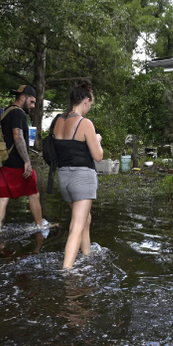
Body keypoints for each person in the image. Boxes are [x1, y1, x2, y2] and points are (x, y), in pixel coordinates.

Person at [53, 79, 103, 269]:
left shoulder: (58, 121)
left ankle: (87, 255)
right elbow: (98, 156)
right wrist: (97, 139)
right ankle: (67, 271)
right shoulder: (85, 123)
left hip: (63, 177)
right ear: (86, 101)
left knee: (85, 219)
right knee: (76, 226)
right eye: (90, 104)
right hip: (82, 178)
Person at [0, 85, 48, 231]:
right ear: (23, 98)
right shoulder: (19, 114)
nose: (32, 106)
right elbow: (18, 138)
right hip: (16, 164)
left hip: (2, 162)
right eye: (31, 102)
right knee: (33, 194)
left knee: (3, 198)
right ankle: (39, 226)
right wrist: (27, 161)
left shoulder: (5, 112)